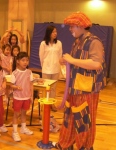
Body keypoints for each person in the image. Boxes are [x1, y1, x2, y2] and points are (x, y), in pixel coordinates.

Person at [53, 12, 106, 150]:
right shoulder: (78, 41)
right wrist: (66, 61)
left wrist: (72, 60)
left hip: (87, 90)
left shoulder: (94, 42)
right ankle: (66, 144)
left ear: (81, 26)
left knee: (84, 120)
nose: (70, 29)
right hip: (74, 87)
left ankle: (85, 147)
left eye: (72, 27)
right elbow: (77, 62)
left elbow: (96, 64)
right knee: (69, 118)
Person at [39, 25, 63, 112]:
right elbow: (41, 57)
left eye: (56, 32)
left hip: (56, 69)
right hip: (46, 69)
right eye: (53, 32)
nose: (55, 33)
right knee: (46, 88)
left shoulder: (59, 43)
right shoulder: (43, 44)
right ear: (49, 33)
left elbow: (60, 55)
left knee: (53, 88)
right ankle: (45, 104)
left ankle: (52, 104)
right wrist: (44, 66)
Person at [11, 52, 33, 142]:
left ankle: (23, 128)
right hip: (18, 98)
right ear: (18, 61)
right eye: (23, 60)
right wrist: (16, 87)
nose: (25, 62)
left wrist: (31, 95)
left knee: (24, 113)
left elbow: (31, 84)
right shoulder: (15, 73)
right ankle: (14, 132)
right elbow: (11, 85)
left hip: (26, 97)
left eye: (27, 60)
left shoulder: (29, 72)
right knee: (16, 114)